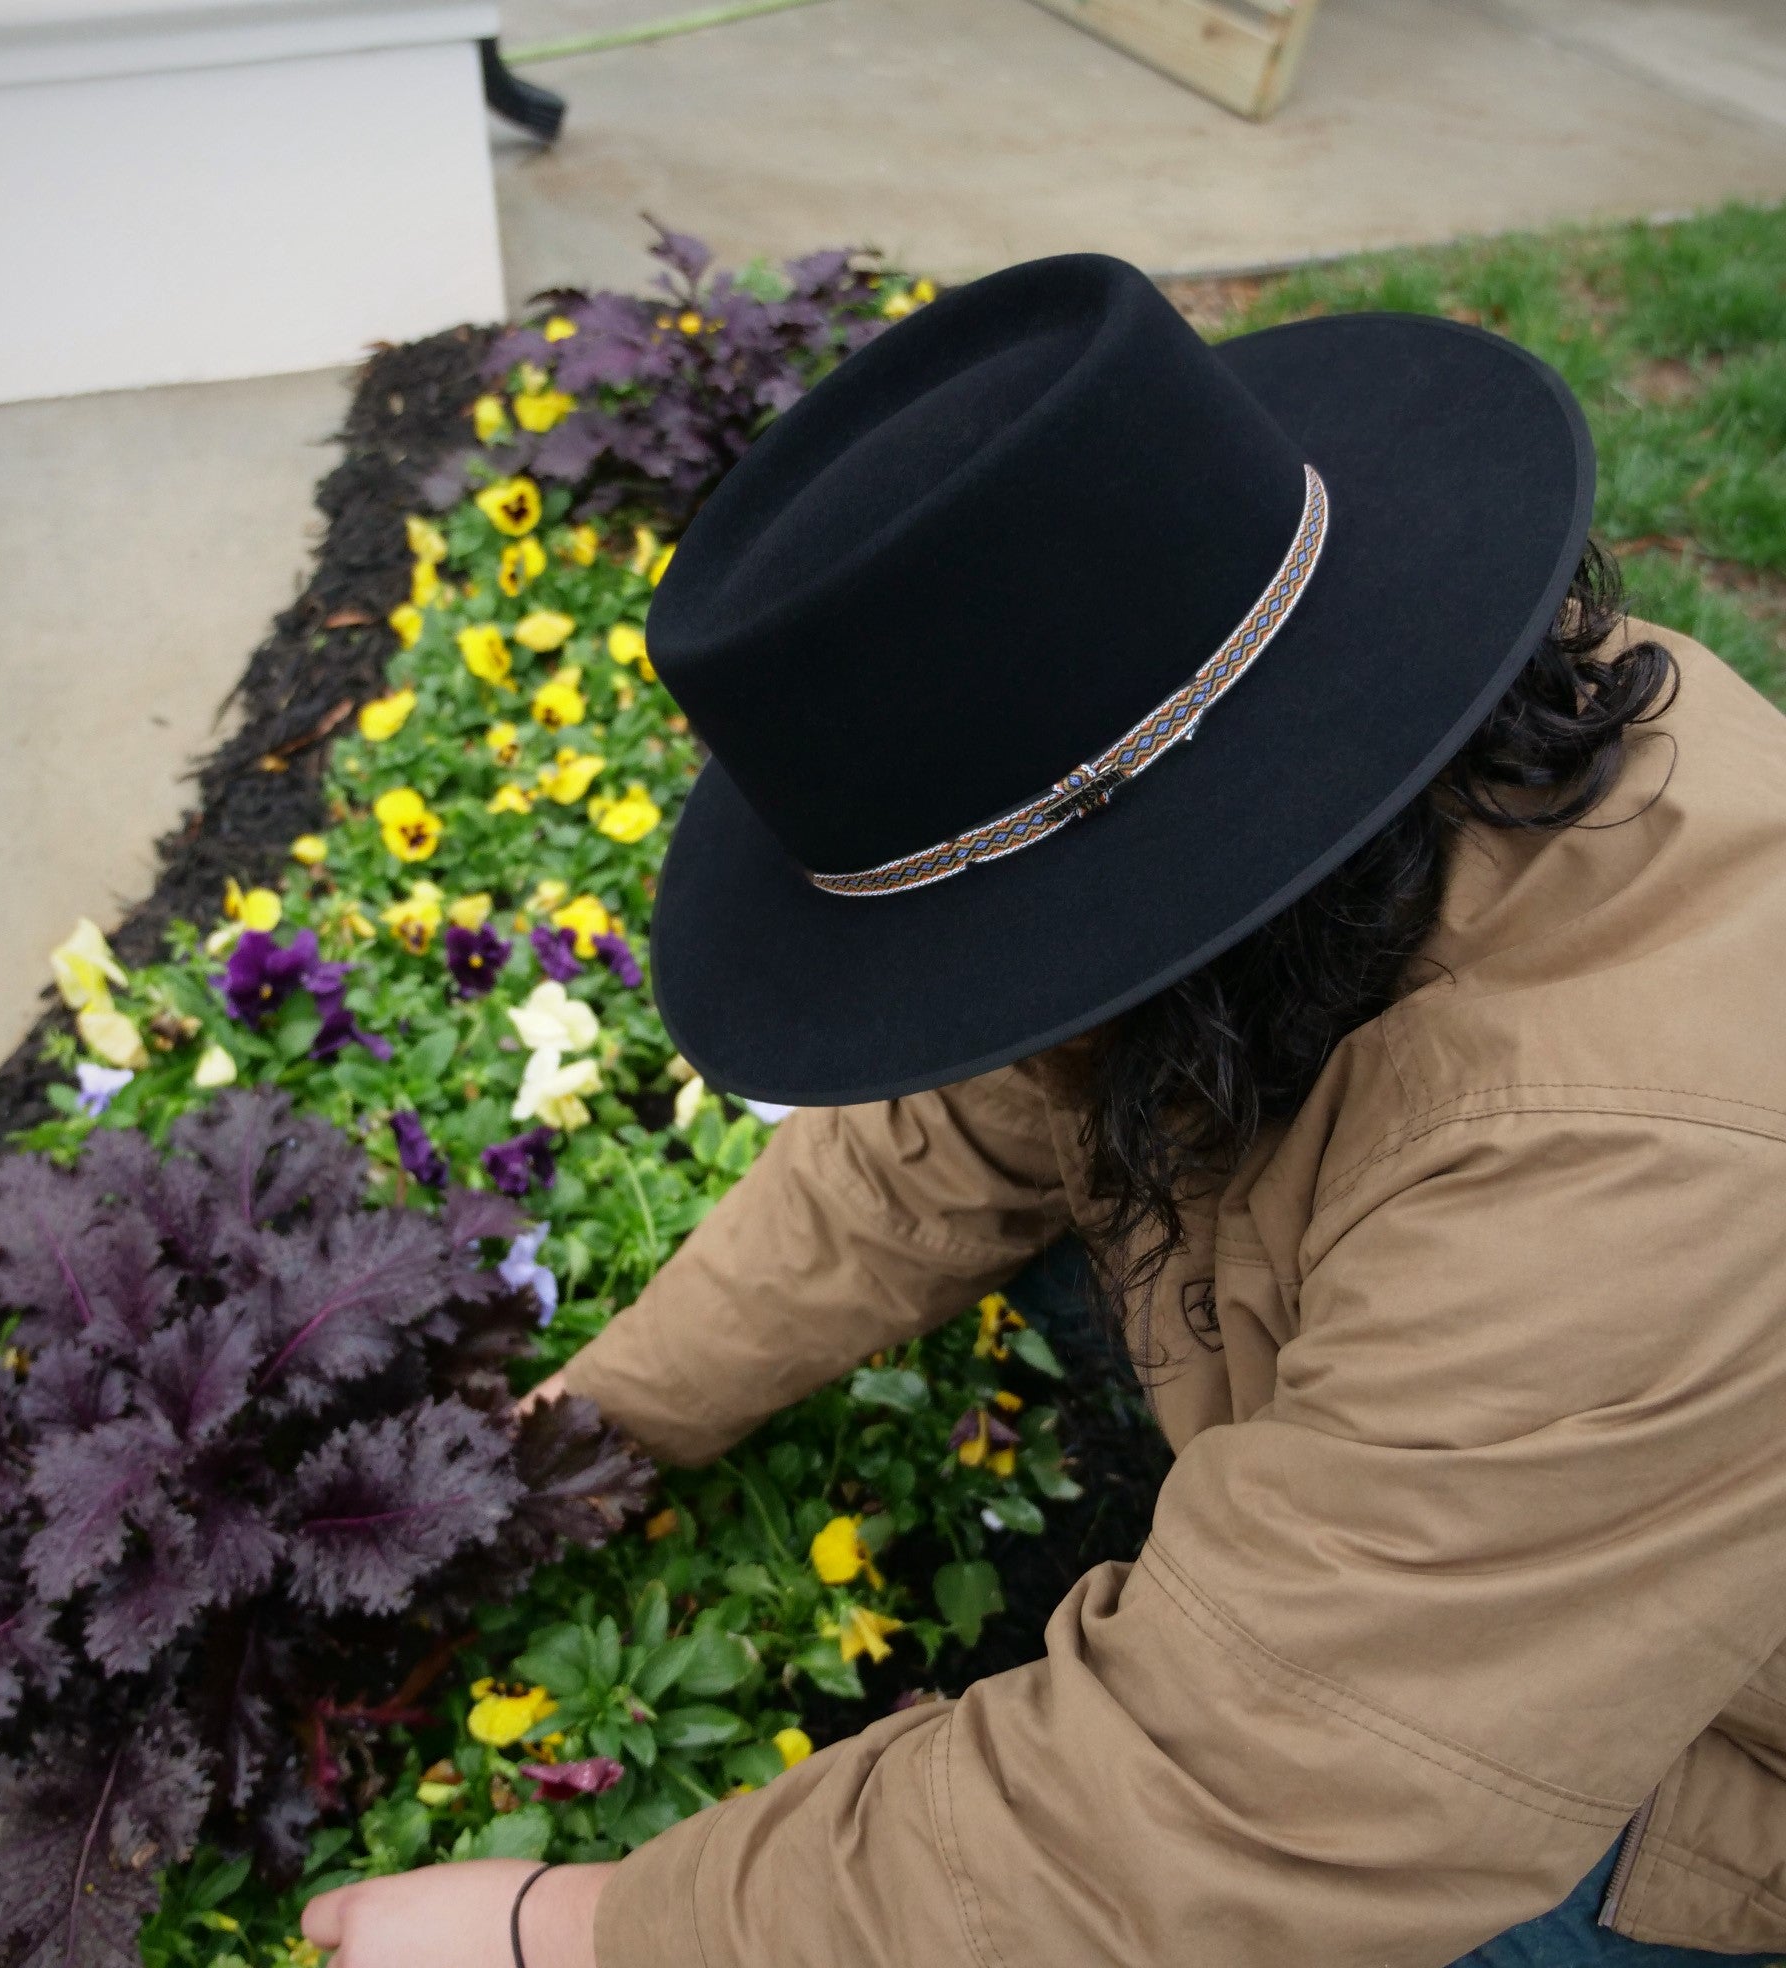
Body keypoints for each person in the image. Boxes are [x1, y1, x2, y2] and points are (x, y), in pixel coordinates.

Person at [301, 256, 1786, 1967]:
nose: (979, 1022)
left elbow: (1218, 1818)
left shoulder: (1619, 1168)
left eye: (986, 955)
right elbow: (952, 1133)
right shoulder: (1348, 741)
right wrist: (588, 1434)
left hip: (1719, 1775)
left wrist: (562, 1927)